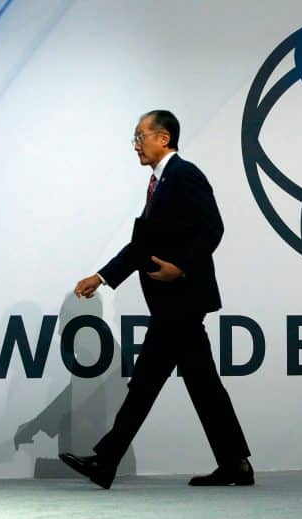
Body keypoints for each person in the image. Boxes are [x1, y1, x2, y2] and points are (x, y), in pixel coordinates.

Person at [60, 110, 252, 489]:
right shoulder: (159, 183)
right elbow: (141, 246)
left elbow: (213, 228)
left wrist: (181, 268)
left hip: (182, 300)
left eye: (140, 136)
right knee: (199, 385)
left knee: (148, 383)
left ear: (163, 138)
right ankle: (235, 464)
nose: (136, 145)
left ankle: (106, 461)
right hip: (174, 304)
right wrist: (102, 277)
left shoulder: (184, 174)